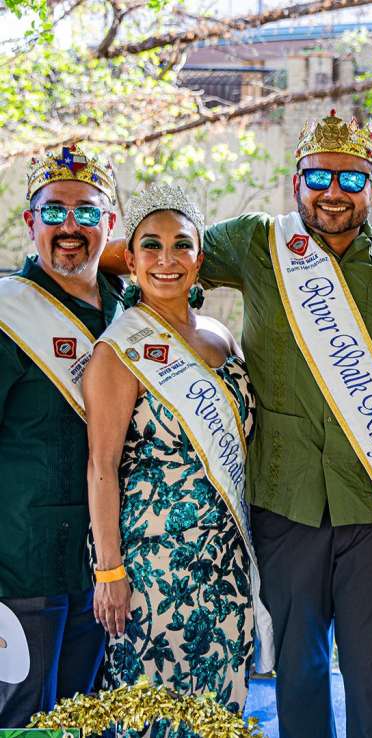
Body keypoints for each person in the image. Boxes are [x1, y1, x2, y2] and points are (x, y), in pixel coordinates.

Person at [101, 111, 372, 738]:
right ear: (295, 181)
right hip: (284, 503)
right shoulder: (256, 241)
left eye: (351, 179)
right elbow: (158, 252)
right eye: (319, 176)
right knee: (296, 673)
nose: (333, 190)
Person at [83, 184, 273, 719]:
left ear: (200, 260)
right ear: (132, 258)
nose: (167, 260)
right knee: (152, 714)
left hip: (227, 563)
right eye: (151, 245)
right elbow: (101, 468)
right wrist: (109, 571)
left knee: (219, 713)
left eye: (181, 245)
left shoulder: (220, 336)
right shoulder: (117, 352)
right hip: (153, 568)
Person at [0, 146, 121, 725]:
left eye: (86, 213)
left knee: (85, 720)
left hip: (108, 572)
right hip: (21, 568)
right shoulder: (6, 312)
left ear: (110, 224)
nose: (70, 227)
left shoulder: (133, 312)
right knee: (22, 719)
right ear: (31, 223)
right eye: (53, 213)